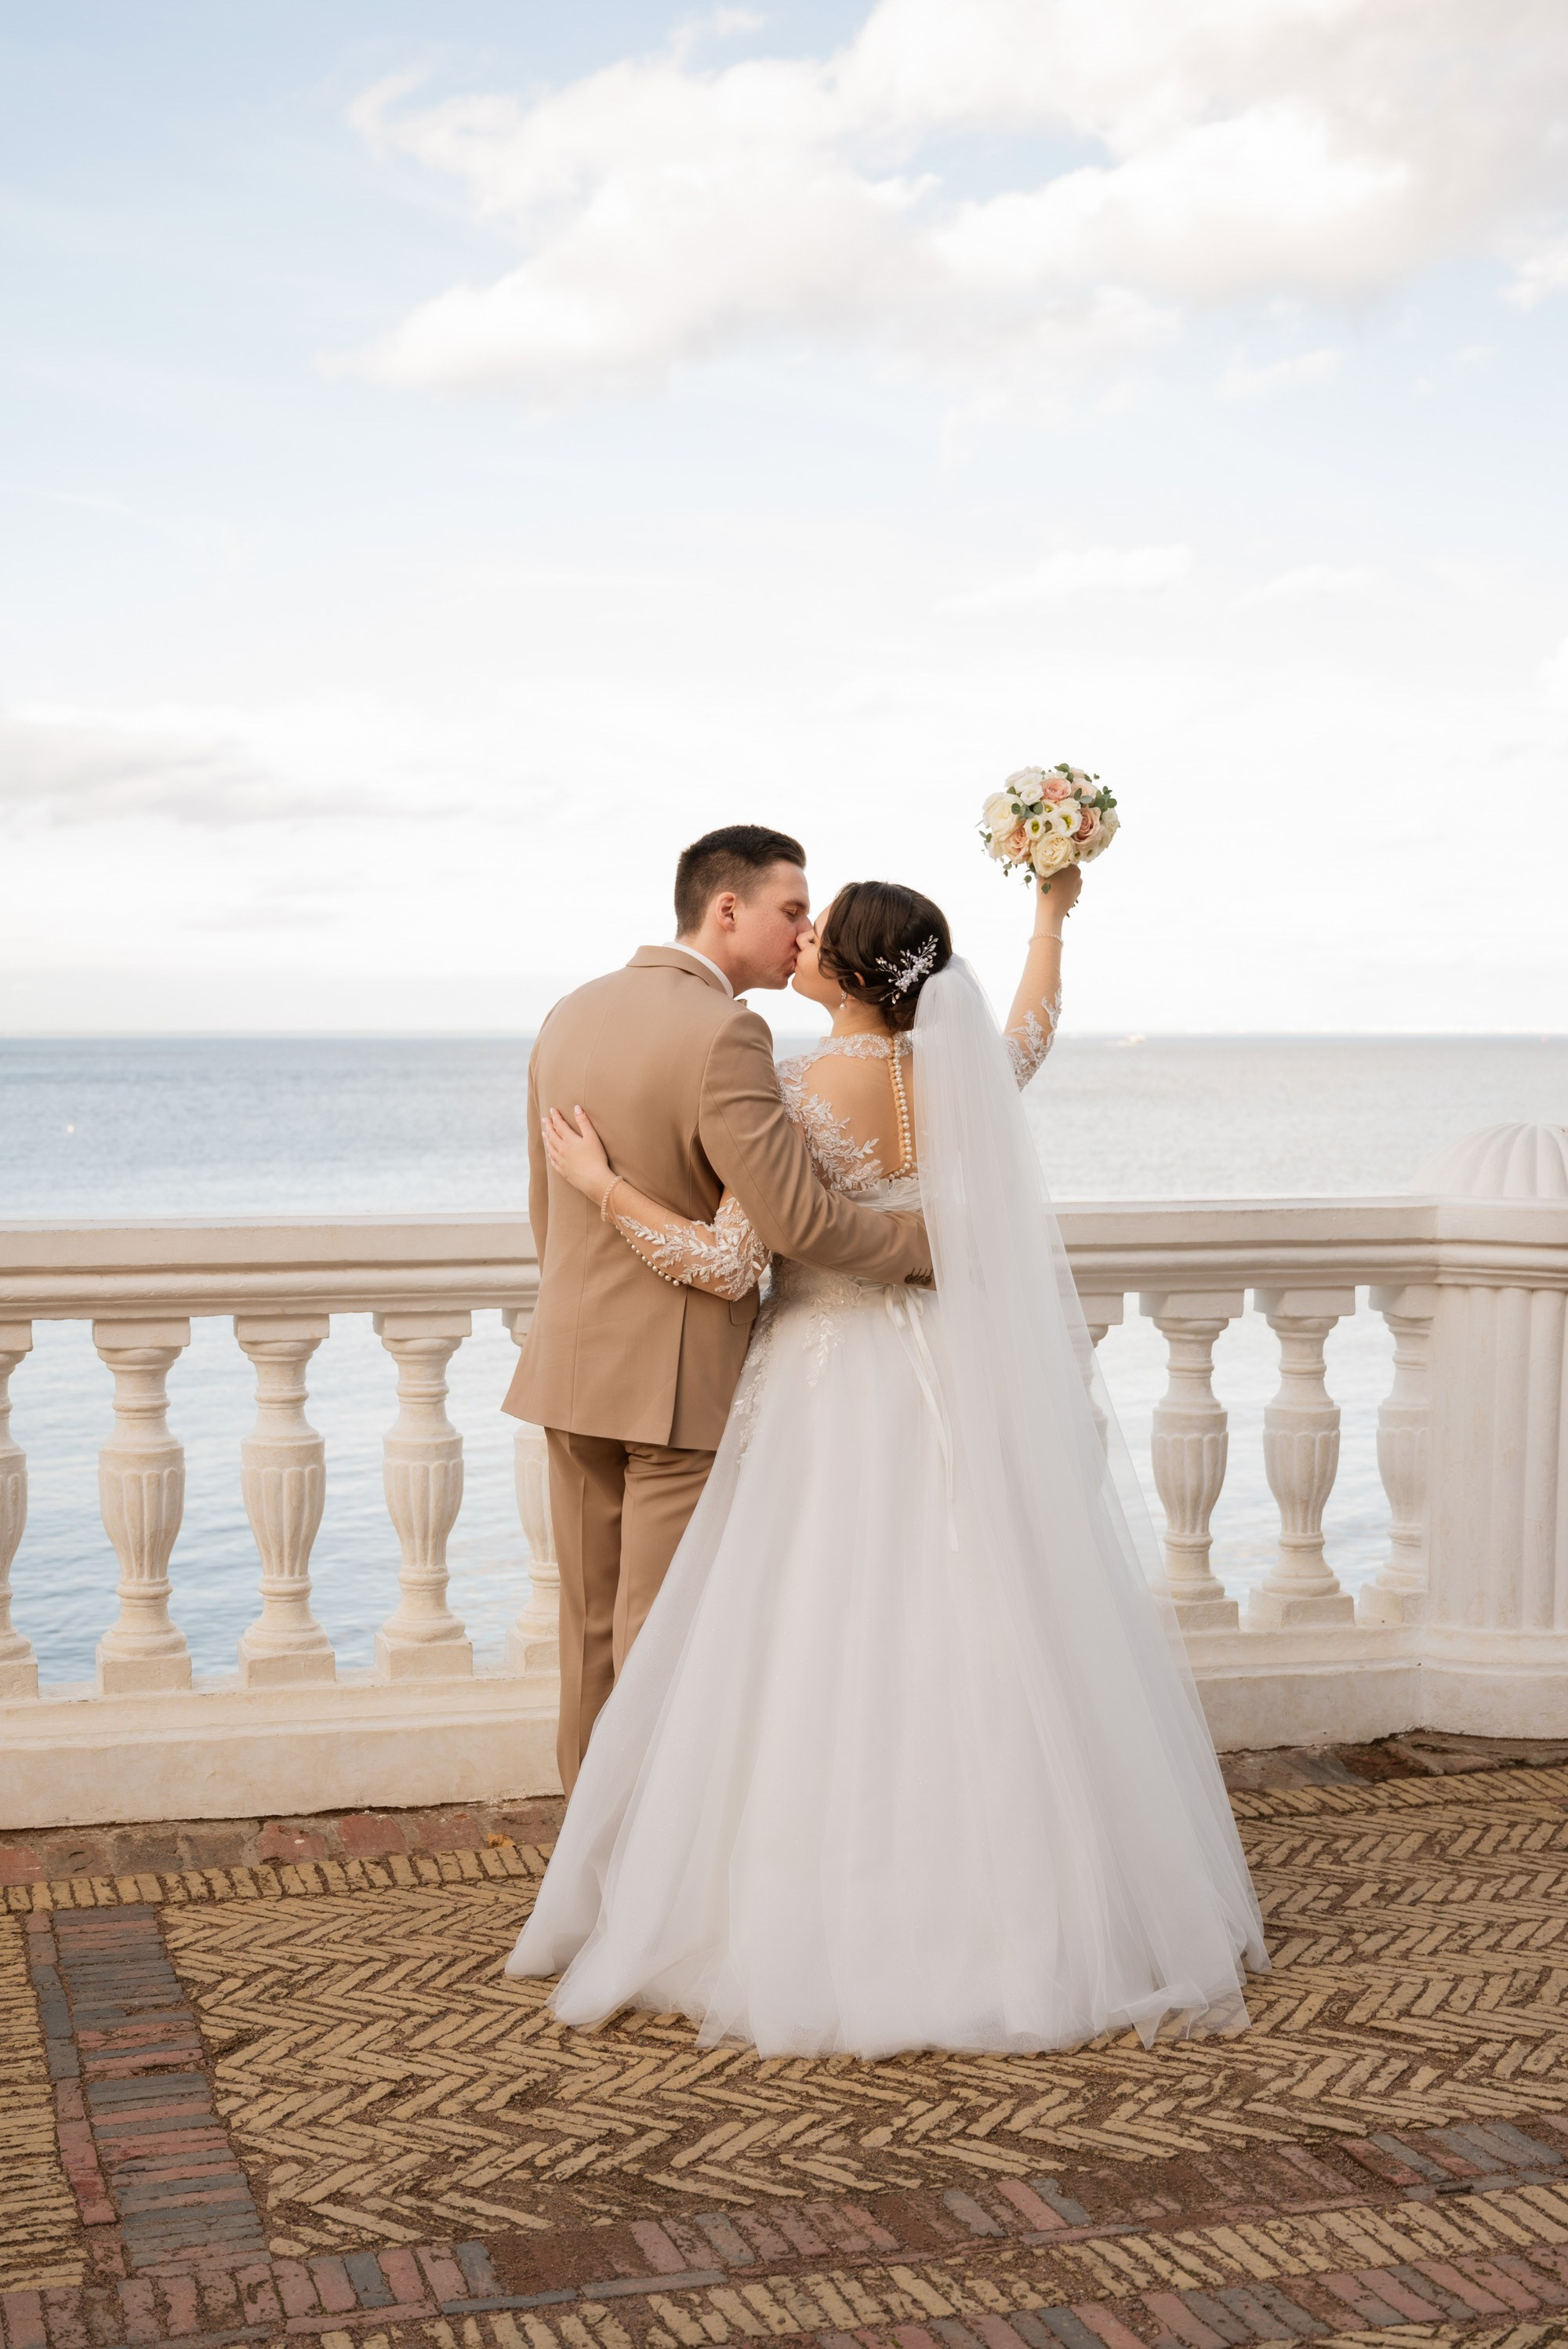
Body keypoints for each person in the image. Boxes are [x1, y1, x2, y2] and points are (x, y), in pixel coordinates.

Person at [506, 856, 1269, 2059]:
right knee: (971, 1617)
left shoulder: (811, 1087)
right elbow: (1028, 1033)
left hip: (825, 1379)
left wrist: (602, 1188)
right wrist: (1051, 917)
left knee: (824, 1631)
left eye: (817, 932)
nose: (797, 941)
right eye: (791, 919)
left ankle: (786, 1894)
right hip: (942, 1372)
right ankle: (1018, 1895)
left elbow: (727, 1261)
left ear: (852, 969)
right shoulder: (955, 1072)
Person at [503, 825, 932, 1798]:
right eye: (791, 911)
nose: (800, 935)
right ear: (725, 906)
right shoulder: (728, 1030)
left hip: (569, 1367)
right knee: (659, 1639)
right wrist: (926, 1250)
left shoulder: (568, 1011)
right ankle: (642, 1874)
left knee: (588, 1634)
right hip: (674, 1385)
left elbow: (546, 1204)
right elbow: (792, 1220)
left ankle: (586, 1862)